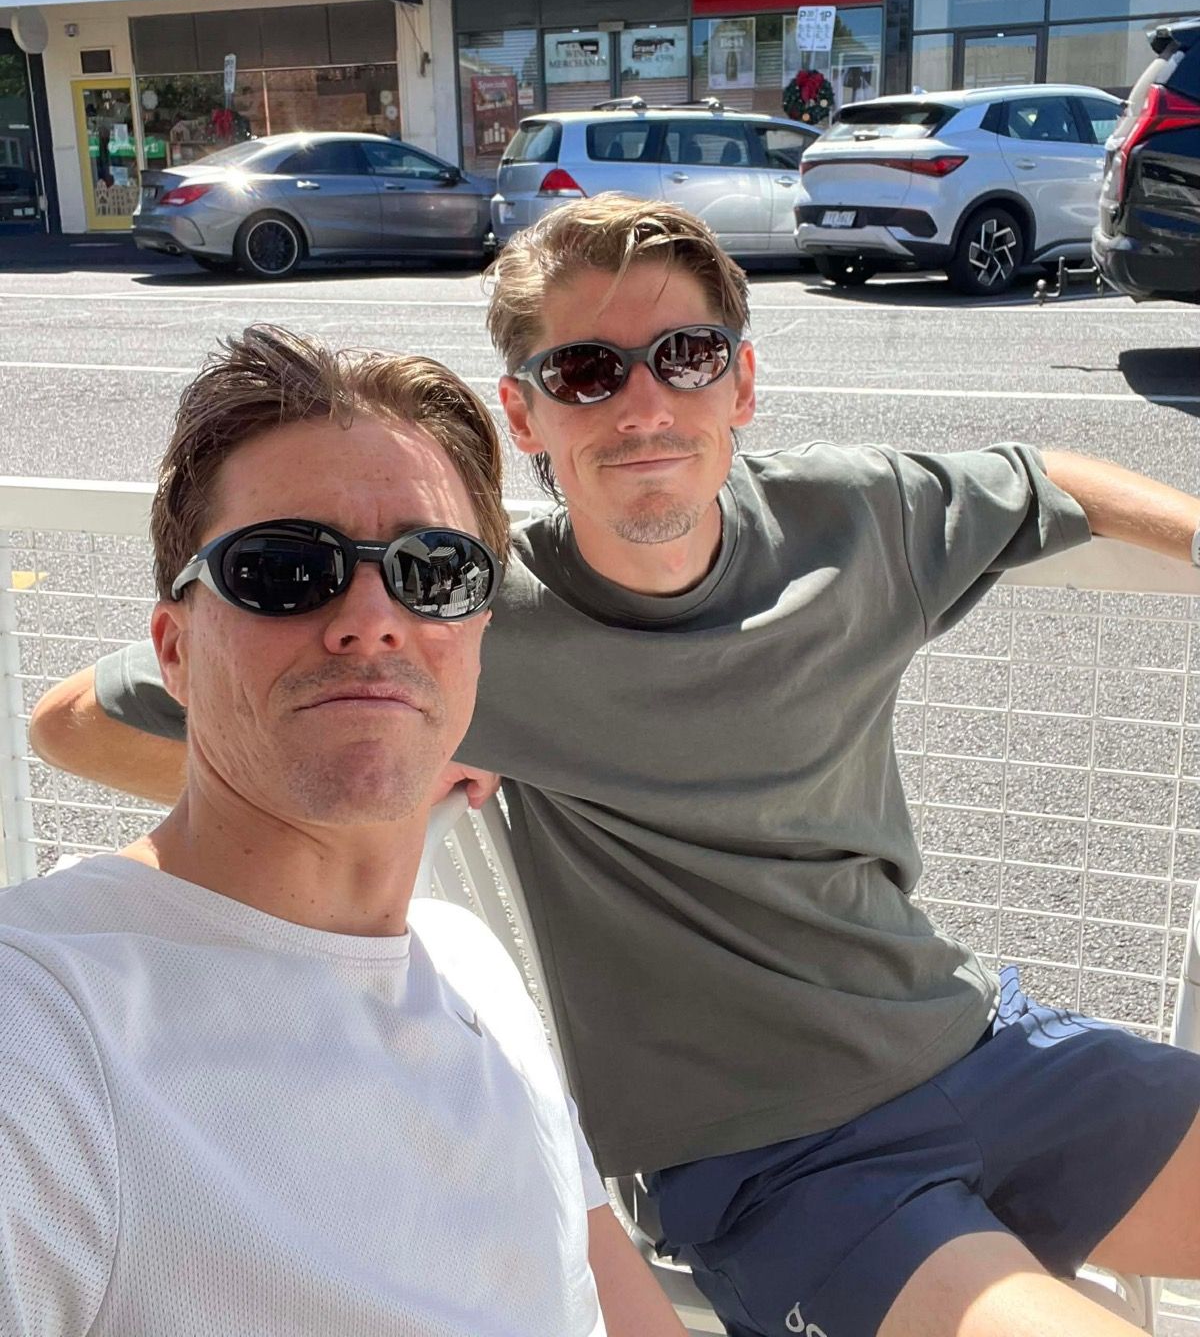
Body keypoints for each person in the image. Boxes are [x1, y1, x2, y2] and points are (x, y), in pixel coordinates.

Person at [31, 200, 1200, 1337]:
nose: (644, 404)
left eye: (686, 356)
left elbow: (1046, 479)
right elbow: (74, 723)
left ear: (741, 383)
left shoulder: (853, 515)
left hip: (977, 1039)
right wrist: (373, 778)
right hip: (775, 1154)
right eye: (586, 372)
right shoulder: (456, 609)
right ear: (526, 413)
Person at [5, 324, 688, 1337]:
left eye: (435, 570)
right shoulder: (45, 1028)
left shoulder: (473, 968)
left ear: (478, 637)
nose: (372, 617)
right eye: (283, 569)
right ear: (174, 650)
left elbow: (606, 1297)